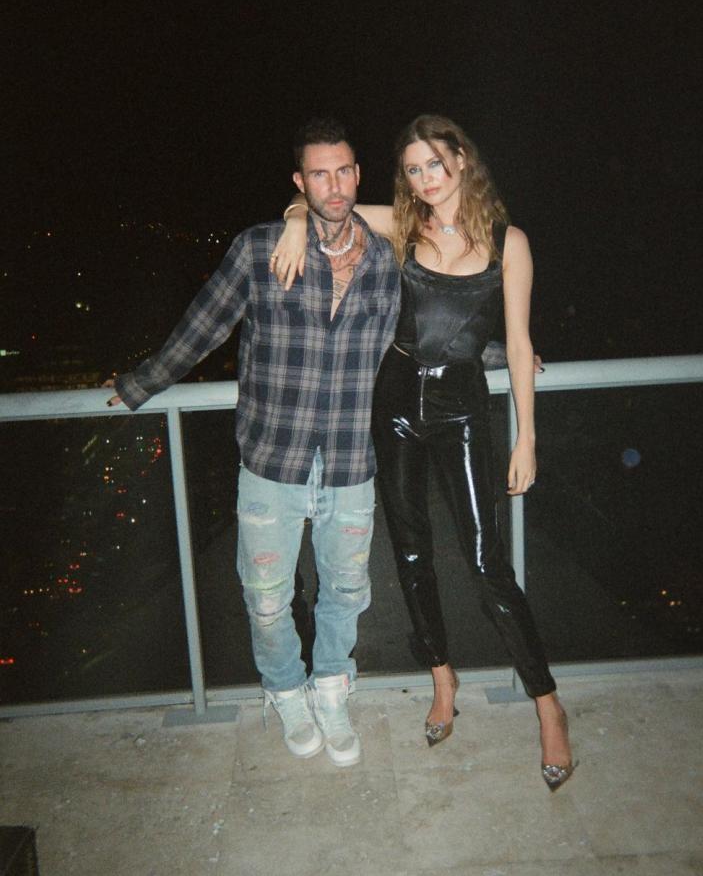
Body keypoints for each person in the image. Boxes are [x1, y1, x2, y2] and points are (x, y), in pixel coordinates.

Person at [274, 114, 574, 790]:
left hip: (462, 407)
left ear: (462, 159)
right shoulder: (403, 226)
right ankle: (442, 677)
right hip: (394, 403)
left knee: (486, 561)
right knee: (411, 553)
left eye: (434, 163)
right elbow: (326, 203)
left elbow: (518, 344)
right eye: (413, 169)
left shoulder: (508, 241)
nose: (425, 178)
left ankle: (548, 704)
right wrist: (295, 219)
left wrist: (526, 436)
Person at [104, 118, 400, 766]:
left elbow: (431, 323)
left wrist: (505, 354)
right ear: (300, 182)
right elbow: (205, 324)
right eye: (318, 174)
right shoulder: (261, 249)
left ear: (358, 175)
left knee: (347, 591)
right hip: (272, 457)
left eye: (343, 171)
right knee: (266, 598)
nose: (334, 185)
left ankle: (332, 686)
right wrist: (140, 383)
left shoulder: (385, 260)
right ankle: (286, 689)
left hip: (350, 460)